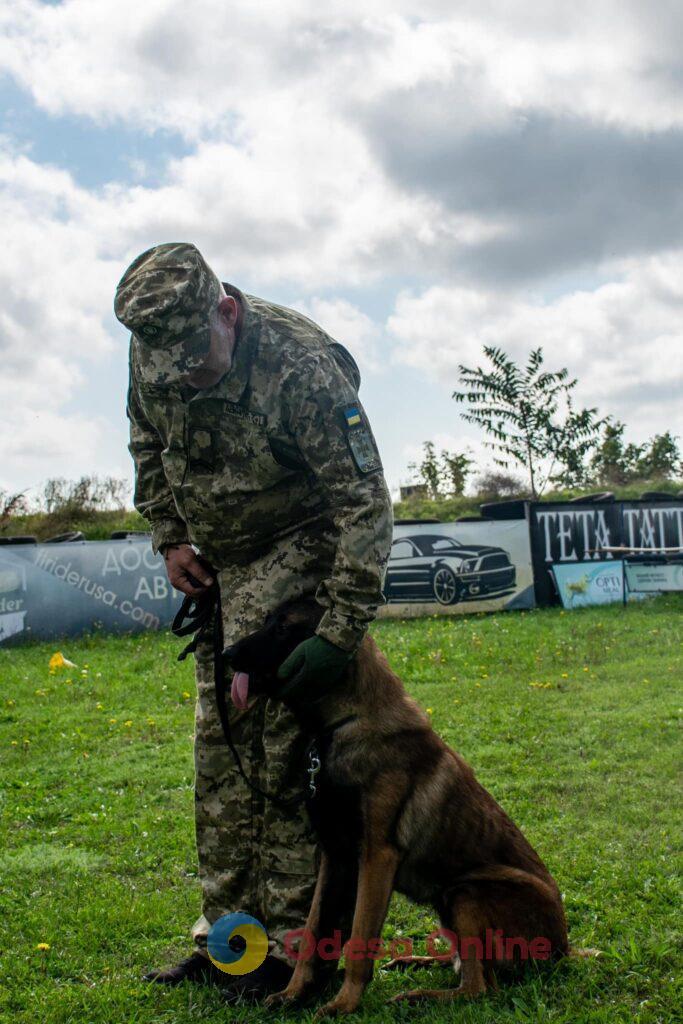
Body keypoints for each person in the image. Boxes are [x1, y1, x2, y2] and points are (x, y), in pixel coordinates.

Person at [114, 242, 393, 999]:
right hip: (225, 560)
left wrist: (337, 631)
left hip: (300, 545)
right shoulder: (158, 347)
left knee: (278, 749)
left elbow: (362, 502)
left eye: (195, 357)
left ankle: (296, 950)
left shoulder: (300, 368)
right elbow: (146, 438)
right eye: (163, 361)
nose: (182, 376)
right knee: (221, 745)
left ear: (227, 312)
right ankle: (230, 940)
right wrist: (170, 536)